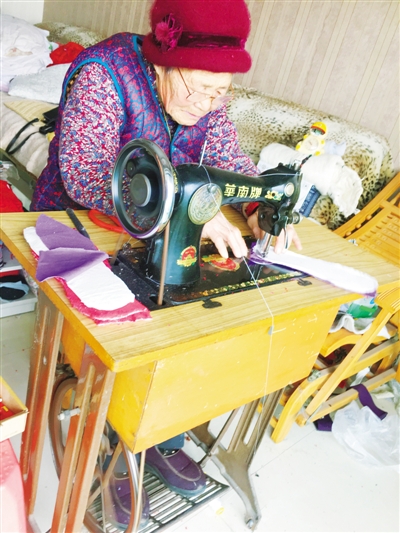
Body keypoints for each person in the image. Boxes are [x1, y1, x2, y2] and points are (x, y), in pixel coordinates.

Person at [31, 0, 301, 525]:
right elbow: (85, 174)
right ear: (162, 61)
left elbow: (229, 160)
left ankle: (159, 432)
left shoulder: (207, 98)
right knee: (117, 335)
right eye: (197, 89)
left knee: (186, 321)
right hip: (76, 225)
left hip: (153, 237)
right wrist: (187, 205)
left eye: (219, 93)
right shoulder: (103, 74)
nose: (206, 103)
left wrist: (257, 207)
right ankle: (107, 442)